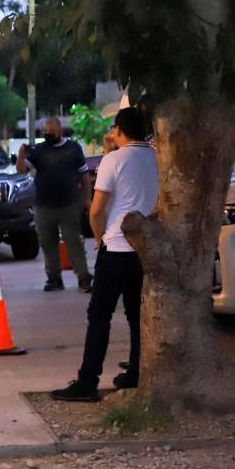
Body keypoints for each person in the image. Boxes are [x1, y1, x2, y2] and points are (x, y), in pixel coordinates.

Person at [52, 107, 158, 401]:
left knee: (100, 316)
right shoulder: (156, 157)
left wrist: (99, 239)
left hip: (116, 248)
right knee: (137, 315)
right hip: (145, 249)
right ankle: (136, 372)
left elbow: (97, 209)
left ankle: (88, 382)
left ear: (119, 130)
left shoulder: (113, 160)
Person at [18, 116, 93, 292]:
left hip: (69, 204)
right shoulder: (39, 150)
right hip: (44, 205)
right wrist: (21, 155)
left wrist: (87, 198)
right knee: (47, 243)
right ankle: (54, 278)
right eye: (45, 132)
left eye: (51, 132)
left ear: (60, 131)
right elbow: (21, 170)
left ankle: (83, 278)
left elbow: (84, 175)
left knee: (73, 241)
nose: (48, 134)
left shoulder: (73, 148)